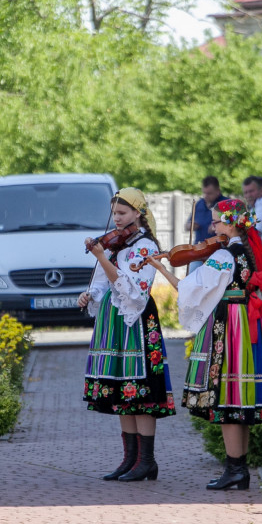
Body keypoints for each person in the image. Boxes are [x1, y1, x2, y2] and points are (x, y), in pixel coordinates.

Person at [143, 199, 262, 489]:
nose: (213, 226)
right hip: (247, 320)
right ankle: (239, 468)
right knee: (240, 395)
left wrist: (160, 267)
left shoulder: (223, 256)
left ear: (232, 223)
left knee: (227, 395)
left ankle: (235, 468)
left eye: (217, 221)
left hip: (229, 324)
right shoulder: (247, 252)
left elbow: (189, 289)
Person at [78, 188, 175, 482]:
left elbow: (134, 290)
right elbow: (102, 282)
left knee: (141, 388)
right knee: (122, 389)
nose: (117, 220)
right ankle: (130, 460)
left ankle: (147, 461)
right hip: (114, 320)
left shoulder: (143, 247)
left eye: (122, 214)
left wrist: (102, 257)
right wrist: (89, 295)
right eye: (115, 214)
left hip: (136, 321)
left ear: (137, 214)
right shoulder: (114, 244)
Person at [189, 176, 224, 273]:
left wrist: (218, 225)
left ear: (218, 191)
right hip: (199, 251)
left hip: (218, 251)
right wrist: (192, 225)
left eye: (209, 193)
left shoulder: (225, 203)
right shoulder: (199, 204)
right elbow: (187, 225)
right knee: (191, 277)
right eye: (204, 193)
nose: (206, 196)